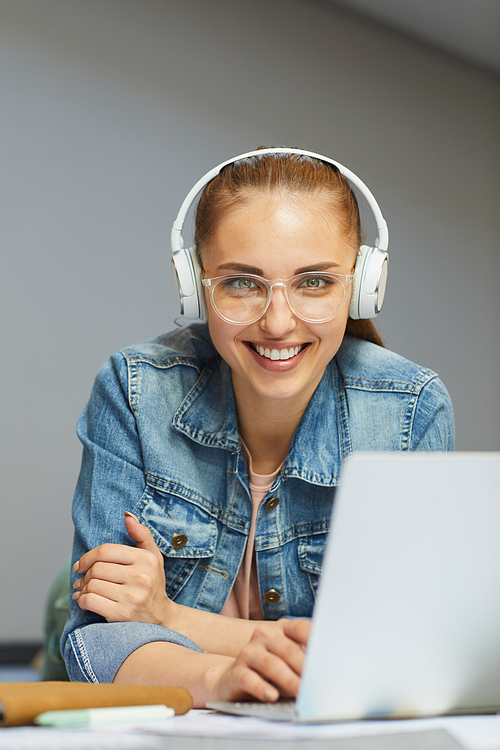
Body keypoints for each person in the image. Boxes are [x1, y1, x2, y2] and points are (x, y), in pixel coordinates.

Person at [61, 148, 454, 707]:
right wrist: (221, 680)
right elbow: (98, 639)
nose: (276, 321)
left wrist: (170, 617)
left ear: (363, 286)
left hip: (176, 623)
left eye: (314, 282)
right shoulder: (135, 388)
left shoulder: (410, 411)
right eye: (243, 283)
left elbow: (406, 653)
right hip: (102, 620)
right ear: (196, 287)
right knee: (75, 596)